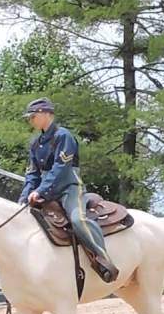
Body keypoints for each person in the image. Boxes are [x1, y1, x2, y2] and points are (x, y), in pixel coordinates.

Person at [18, 97, 120, 283]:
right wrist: (24, 197)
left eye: (33, 116)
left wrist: (40, 191)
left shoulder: (63, 136)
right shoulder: (35, 143)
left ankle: (103, 258)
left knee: (77, 219)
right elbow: (32, 173)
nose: (30, 120)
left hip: (69, 188)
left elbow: (60, 169)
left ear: (46, 114)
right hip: (46, 191)